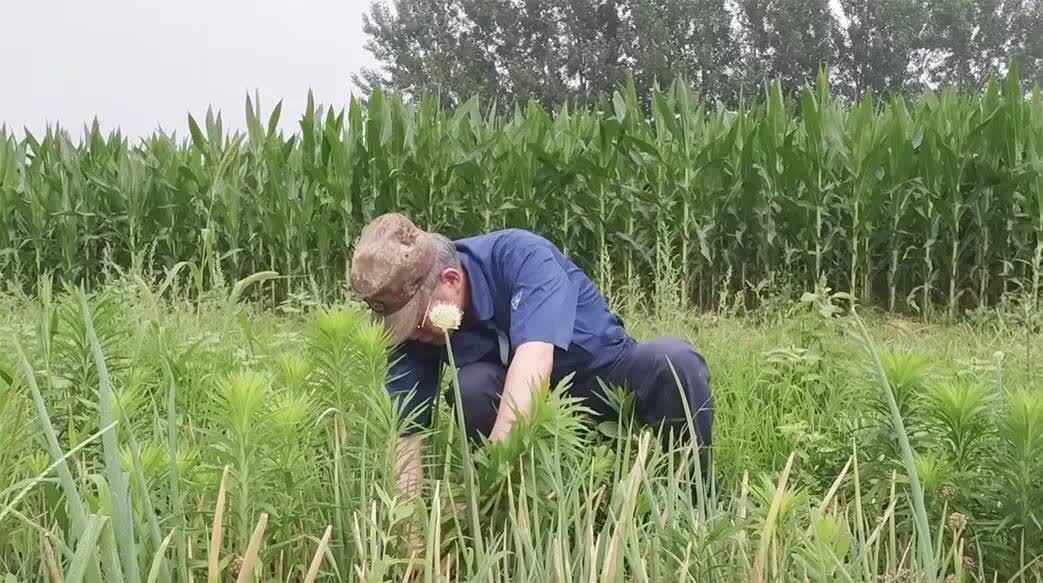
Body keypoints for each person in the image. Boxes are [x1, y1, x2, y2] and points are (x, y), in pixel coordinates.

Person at [347, 212, 713, 499]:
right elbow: (407, 431)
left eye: (418, 321)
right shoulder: (417, 328)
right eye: (403, 326)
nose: (414, 334)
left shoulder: (520, 255)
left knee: (673, 360)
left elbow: (534, 360)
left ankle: (691, 500)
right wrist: (410, 530)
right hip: (533, 419)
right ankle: (513, 506)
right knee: (469, 387)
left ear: (451, 280)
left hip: (603, 381)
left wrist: (489, 475)